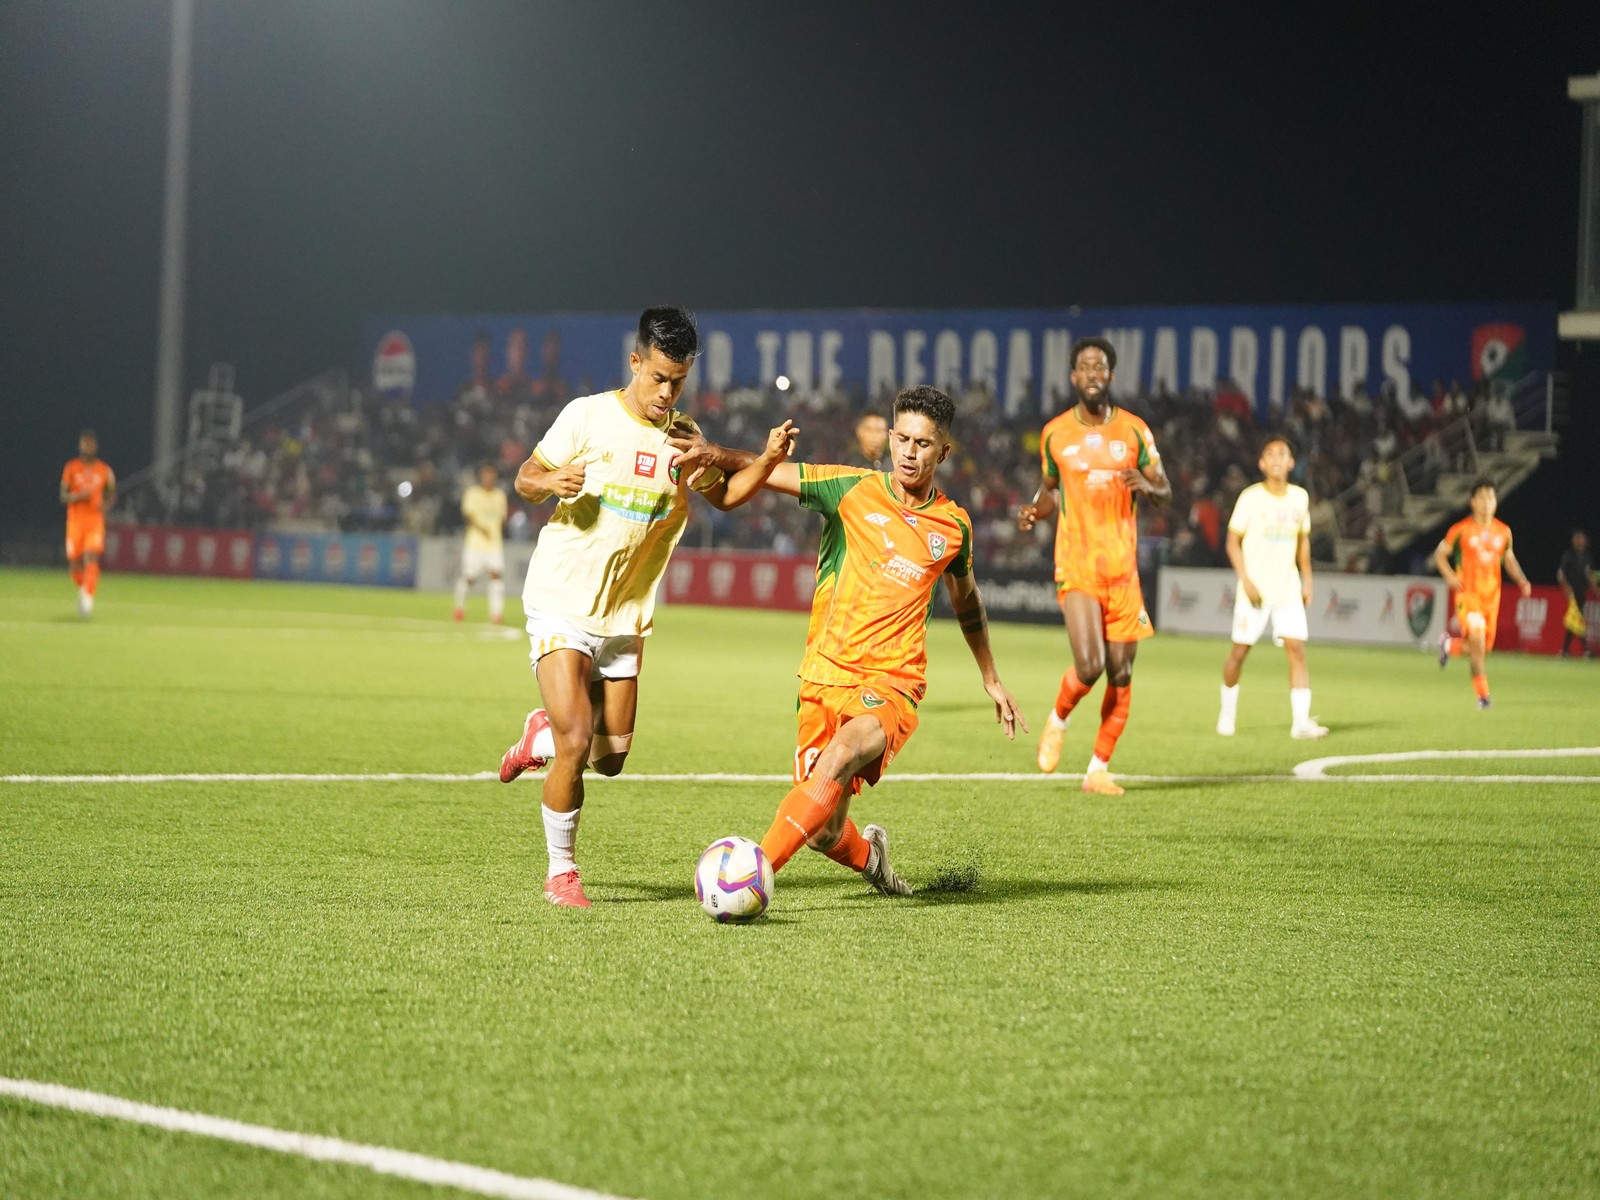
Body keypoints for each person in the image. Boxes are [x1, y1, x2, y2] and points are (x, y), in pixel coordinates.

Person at [496, 306, 796, 907]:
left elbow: (730, 497)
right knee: (579, 738)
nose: (667, 392)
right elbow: (525, 477)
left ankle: (541, 736)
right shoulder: (586, 416)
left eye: (678, 381)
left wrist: (762, 459)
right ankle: (562, 873)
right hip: (561, 598)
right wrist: (549, 484)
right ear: (635, 362)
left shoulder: (683, 438)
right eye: (658, 377)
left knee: (609, 759)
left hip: (625, 617)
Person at [736, 385, 1024, 897]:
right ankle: (873, 861)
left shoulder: (954, 525)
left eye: (924, 444)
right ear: (890, 438)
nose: (910, 453)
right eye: (903, 440)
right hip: (823, 674)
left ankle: (752, 874)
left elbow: (967, 599)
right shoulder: (851, 489)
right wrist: (712, 454)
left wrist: (991, 677)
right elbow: (763, 472)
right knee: (824, 830)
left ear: (943, 451)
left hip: (892, 683)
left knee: (842, 753)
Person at [1018, 337, 1171, 794]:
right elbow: (1049, 490)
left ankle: (1097, 769)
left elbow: (1164, 492)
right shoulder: (1055, 433)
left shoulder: (1135, 432)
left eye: (1100, 367)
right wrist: (1033, 510)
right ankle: (1058, 719)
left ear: (1110, 375)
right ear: (1073, 377)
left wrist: (1146, 482)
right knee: (1090, 665)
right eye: (1084, 367)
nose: (1092, 374)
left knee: (1121, 672)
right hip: (1077, 564)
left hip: (1124, 573)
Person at [1216, 435, 1328, 740]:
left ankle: (1300, 722)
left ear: (1291, 463)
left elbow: (1302, 541)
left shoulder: (1299, 497)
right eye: (1271, 454)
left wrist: (1307, 578)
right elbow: (1232, 541)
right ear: (1262, 463)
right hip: (1255, 590)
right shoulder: (1250, 497)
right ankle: (1227, 713)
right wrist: (1245, 579)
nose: (1277, 459)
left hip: (1287, 588)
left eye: (1283, 454)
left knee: (1297, 650)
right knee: (1239, 652)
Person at [1433, 478, 1532, 709]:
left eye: (1491, 497)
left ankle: (1447, 646)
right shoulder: (1461, 530)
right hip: (1468, 596)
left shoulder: (1503, 532)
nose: (1487, 502)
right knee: (1477, 643)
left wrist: (1521, 580)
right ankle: (1483, 696)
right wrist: (1449, 575)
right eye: (1483, 497)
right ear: (1472, 502)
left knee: (1481, 649)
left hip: (1491, 599)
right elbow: (1440, 555)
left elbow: (1508, 558)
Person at [60, 430, 116, 617]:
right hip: (75, 522)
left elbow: (111, 492)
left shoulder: (104, 470)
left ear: (95, 446)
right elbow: (63, 496)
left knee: (91, 557)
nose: (87, 446)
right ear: (80, 446)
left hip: (94, 521)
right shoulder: (71, 468)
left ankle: (87, 599)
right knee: (75, 564)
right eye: (84, 443)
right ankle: (85, 588)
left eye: (90, 443)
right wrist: (78, 496)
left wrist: (106, 506)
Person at [453, 463, 509, 623]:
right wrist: (482, 528)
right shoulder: (473, 493)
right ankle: (459, 608)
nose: (488, 478)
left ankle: (496, 614)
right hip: (475, 544)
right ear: (480, 477)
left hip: (494, 544)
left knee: (496, 577)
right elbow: (468, 516)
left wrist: (497, 526)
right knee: (469, 577)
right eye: (485, 475)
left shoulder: (499, 495)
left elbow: (503, 519)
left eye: (491, 476)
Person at [1558, 528, 1596, 659]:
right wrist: (1566, 588)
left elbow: (1589, 576)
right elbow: (1561, 574)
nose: (1578, 540)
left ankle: (1565, 650)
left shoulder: (1587, 557)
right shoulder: (1568, 555)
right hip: (1572, 595)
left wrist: (1596, 590)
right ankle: (1585, 649)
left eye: (1581, 538)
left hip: (1582, 594)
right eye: (1576, 538)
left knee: (1573, 622)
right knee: (1577, 620)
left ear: (1585, 541)